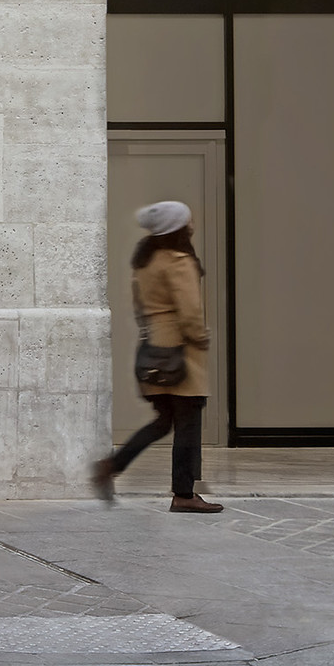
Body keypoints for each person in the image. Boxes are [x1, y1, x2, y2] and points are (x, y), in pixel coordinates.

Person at [93, 201, 219, 513]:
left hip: (152, 348)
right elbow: (190, 312)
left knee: (165, 421)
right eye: (188, 221)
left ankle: (111, 465)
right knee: (188, 423)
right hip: (180, 352)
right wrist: (201, 337)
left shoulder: (146, 261)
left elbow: (140, 308)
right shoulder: (178, 261)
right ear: (179, 228)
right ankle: (184, 494)